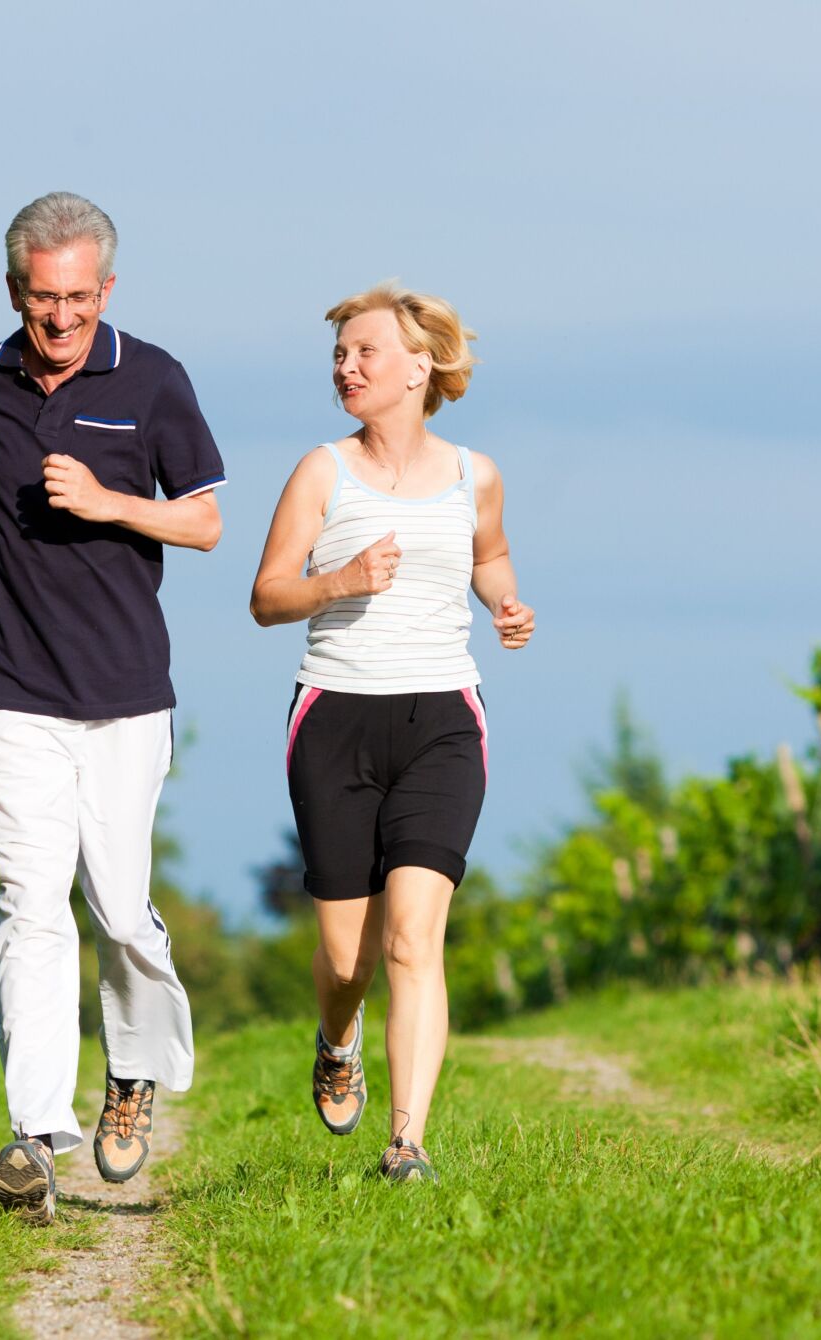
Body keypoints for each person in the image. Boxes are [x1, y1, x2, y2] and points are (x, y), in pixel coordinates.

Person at [0, 191, 225, 1224]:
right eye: (44, 299)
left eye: (80, 299)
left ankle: (132, 1072)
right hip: (9, 690)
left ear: (107, 289)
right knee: (29, 900)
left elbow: (208, 523)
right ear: (15, 290)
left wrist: (109, 503)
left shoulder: (154, 379)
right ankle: (32, 1134)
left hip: (126, 695)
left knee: (119, 908)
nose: (61, 319)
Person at [249, 282, 535, 1183]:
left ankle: (406, 1144)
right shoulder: (322, 471)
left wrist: (505, 604)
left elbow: (488, 557)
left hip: (443, 718)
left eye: (364, 352)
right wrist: (341, 580)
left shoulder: (474, 474)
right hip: (335, 715)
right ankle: (338, 1039)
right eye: (338, 355)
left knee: (415, 936)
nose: (346, 367)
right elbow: (267, 596)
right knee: (348, 956)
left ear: (421, 366)